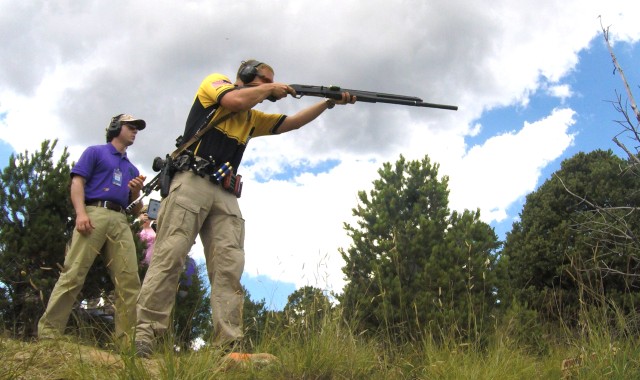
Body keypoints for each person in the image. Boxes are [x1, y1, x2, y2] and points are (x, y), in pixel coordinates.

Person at [134, 59, 356, 357]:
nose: (269, 84)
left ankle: (228, 345)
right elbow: (233, 99)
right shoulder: (215, 84)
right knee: (168, 258)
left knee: (228, 268)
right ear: (246, 76)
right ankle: (146, 337)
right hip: (191, 182)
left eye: (270, 81)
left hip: (225, 194)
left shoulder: (252, 118)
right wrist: (269, 91)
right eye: (264, 79)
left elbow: (292, 123)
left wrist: (328, 104)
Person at [38, 114, 147, 346]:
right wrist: (81, 213)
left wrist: (136, 191)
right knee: (74, 272)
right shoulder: (95, 152)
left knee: (129, 282)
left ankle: (126, 343)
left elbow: (133, 204)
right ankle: (49, 332)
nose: (135, 131)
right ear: (116, 127)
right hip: (93, 212)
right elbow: (77, 182)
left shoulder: (132, 168)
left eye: (137, 129)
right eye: (131, 127)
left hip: (120, 219)